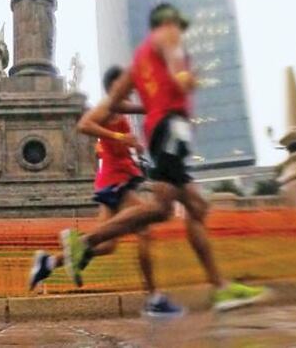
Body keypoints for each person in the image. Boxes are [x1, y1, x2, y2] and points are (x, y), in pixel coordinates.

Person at [57, 4, 267, 312]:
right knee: (159, 208)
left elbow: (105, 109)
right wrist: (184, 77)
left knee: (197, 206)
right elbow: (177, 70)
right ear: (166, 24)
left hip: (165, 129)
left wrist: (146, 109)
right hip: (170, 127)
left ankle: (219, 286)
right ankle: (84, 244)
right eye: (175, 26)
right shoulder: (165, 37)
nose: (177, 32)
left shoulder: (135, 67)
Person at [28, 66, 182, 317]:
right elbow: (84, 125)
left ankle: (49, 262)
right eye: (127, 86)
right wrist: (121, 137)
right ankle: (154, 298)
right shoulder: (109, 106)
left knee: (108, 244)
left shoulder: (118, 106)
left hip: (115, 180)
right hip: (116, 180)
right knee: (144, 229)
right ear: (116, 87)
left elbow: (144, 107)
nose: (131, 90)